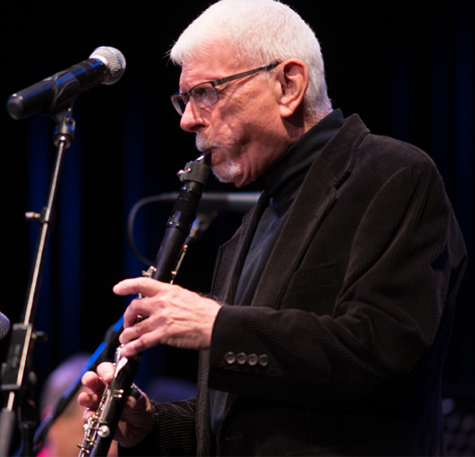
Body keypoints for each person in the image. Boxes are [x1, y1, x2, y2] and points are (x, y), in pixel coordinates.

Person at [79, 0, 468, 455]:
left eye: (206, 93)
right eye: (184, 100)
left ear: (289, 85)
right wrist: (152, 426)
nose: (187, 120)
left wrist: (218, 326)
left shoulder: (393, 174)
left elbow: (382, 351)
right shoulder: (253, 223)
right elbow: (244, 418)